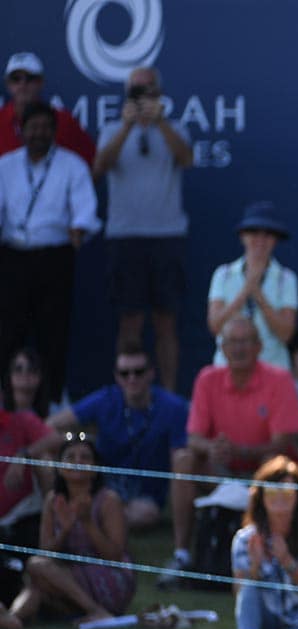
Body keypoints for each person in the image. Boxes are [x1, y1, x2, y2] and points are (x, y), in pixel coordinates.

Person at [161, 316, 298, 584]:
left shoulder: (279, 379)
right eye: (232, 342)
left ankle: (277, 555)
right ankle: (181, 553)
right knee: (184, 458)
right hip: (220, 468)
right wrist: (213, 448)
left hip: (262, 471)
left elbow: (283, 442)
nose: (238, 349)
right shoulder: (207, 378)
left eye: (245, 342)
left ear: (259, 347)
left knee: (274, 461)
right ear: (222, 348)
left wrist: (242, 451)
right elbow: (193, 438)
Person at [93, 66, 193, 392]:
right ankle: (128, 394)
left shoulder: (175, 128)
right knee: (129, 321)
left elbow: (187, 158)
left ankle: (169, 397)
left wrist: (159, 122)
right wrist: (127, 126)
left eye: (149, 89)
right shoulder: (112, 130)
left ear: (160, 93)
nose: (143, 96)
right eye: (136, 91)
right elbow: (100, 166)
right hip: (126, 237)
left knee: (167, 322)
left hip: (166, 236)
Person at [0, 101, 101, 402]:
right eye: (33, 128)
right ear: (22, 131)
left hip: (55, 257)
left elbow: (86, 208)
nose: (38, 134)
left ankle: (53, 401)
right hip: (13, 256)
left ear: (55, 132)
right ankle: (6, 401)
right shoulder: (5, 165)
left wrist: (80, 227)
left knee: (53, 334)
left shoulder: (72, 165)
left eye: (45, 128)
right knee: (7, 334)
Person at [47, 342, 189, 530]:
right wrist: (79, 440)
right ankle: (81, 513)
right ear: (117, 377)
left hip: (145, 496)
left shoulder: (173, 406)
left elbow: (180, 455)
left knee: (146, 514)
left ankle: (91, 518)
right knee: (51, 448)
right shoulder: (106, 398)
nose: (132, 378)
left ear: (151, 373)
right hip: (102, 486)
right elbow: (51, 425)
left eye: (138, 372)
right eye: (125, 373)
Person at [209, 456, 298, 629]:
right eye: (272, 491)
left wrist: (286, 560)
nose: (280, 498)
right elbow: (240, 594)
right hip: (265, 621)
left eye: (287, 491)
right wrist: (255, 567)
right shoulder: (245, 538)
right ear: (261, 497)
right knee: (249, 584)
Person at [7, 434, 134, 629]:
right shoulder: (53, 500)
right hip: (69, 576)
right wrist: (64, 531)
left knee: (37, 567)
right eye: (70, 457)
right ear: (59, 466)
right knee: (38, 582)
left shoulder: (108, 500)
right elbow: (47, 553)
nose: (77, 462)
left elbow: (115, 556)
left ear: (95, 468)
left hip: (110, 578)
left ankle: (96, 611)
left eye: (85, 457)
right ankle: (12, 620)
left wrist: (87, 522)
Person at [207, 201, 298, 371]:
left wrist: (257, 293)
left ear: (275, 240)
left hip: (272, 370)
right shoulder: (223, 275)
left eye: (268, 234)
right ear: (243, 236)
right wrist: (246, 290)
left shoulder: (286, 279)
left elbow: (285, 333)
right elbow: (215, 325)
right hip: (226, 370)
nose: (260, 240)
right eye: (254, 232)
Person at [0, 381, 58, 616]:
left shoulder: (20, 421)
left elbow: (56, 438)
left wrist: (23, 455)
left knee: (43, 459)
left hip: (21, 521)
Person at [0, 52, 95, 163]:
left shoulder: (63, 121)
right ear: (8, 84)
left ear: (41, 82)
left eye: (30, 78)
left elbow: (93, 163)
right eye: (16, 79)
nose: (23, 84)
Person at [3, 348, 50, 418]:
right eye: (18, 369)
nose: (24, 373)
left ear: (40, 377)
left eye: (31, 369)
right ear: (10, 376)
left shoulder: (53, 414)